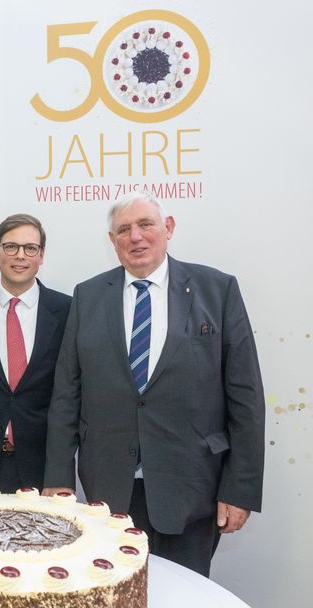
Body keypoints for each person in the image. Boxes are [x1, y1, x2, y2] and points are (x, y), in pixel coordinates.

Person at [43, 191, 265, 576]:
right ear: (112, 240)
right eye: (123, 230)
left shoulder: (217, 290)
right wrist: (59, 478)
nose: (136, 237)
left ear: (169, 228)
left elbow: (246, 397)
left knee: (183, 598)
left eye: (146, 224)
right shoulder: (88, 296)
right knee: (115, 598)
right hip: (109, 492)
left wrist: (239, 489)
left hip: (193, 489)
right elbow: (67, 393)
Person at [0, 214, 70, 493]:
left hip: (42, 467)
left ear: (42, 255)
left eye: (30, 248)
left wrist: (60, 473)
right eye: (11, 246)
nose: (20, 256)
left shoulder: (68, 311)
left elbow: (70, 396)